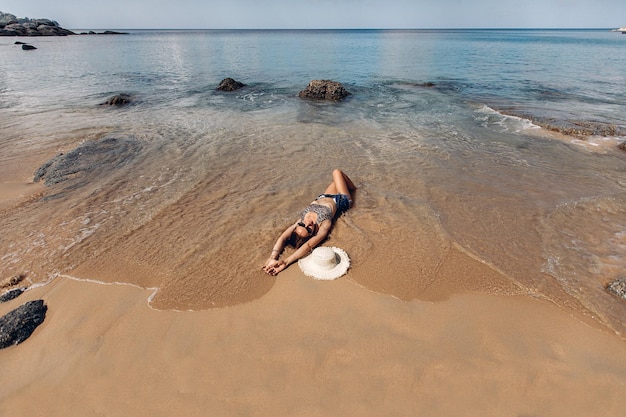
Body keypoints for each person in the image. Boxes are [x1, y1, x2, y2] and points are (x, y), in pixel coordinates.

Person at [263, 169, 356, 276]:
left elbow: (283, 238)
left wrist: (272, 257)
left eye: (303, 225)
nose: (308, 223)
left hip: (324, 196)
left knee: (339, 180)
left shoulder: (300, 221)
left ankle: (355, 189)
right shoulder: (324, 225)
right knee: (337, 173)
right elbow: (307, 245)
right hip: (340, 199)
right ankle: (356, 190)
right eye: (309, 229)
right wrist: (286, 262)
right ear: (313, 234)